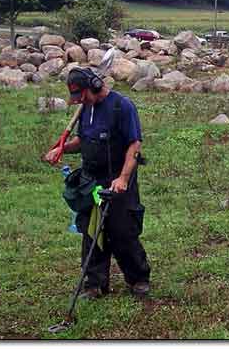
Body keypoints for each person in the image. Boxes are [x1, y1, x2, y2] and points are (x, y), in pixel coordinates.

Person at [44, 67, 150, 300]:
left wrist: (122, 178)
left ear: (94, 86)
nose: (79, 100)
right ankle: (95, 284)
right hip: (91, 181)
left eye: (82, 95)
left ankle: (138, 279)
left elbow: (134, 145)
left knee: (123, 230)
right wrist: (60, 149)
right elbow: (83, 140)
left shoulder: (121, 107)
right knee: (92, 229)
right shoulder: (86, 108)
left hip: (118, 178)